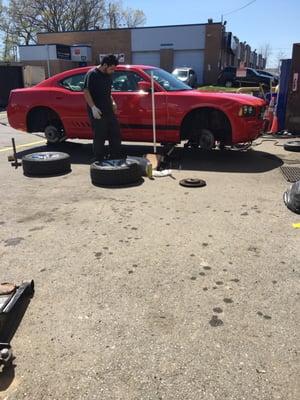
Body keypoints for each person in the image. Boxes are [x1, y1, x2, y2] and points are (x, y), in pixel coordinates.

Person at [83, 54, 121, 162]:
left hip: (108, 109)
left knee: (115, 133)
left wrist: (113, 102)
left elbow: (108, 92)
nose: (113, 71)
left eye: (114, 69)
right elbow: (86, 91)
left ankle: (115, 156)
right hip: (97, 110)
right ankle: (98, 158)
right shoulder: (92, 74)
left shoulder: (108, 75)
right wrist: (93, 108)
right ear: (104, 65)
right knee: (100, 135)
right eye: (111, 69)